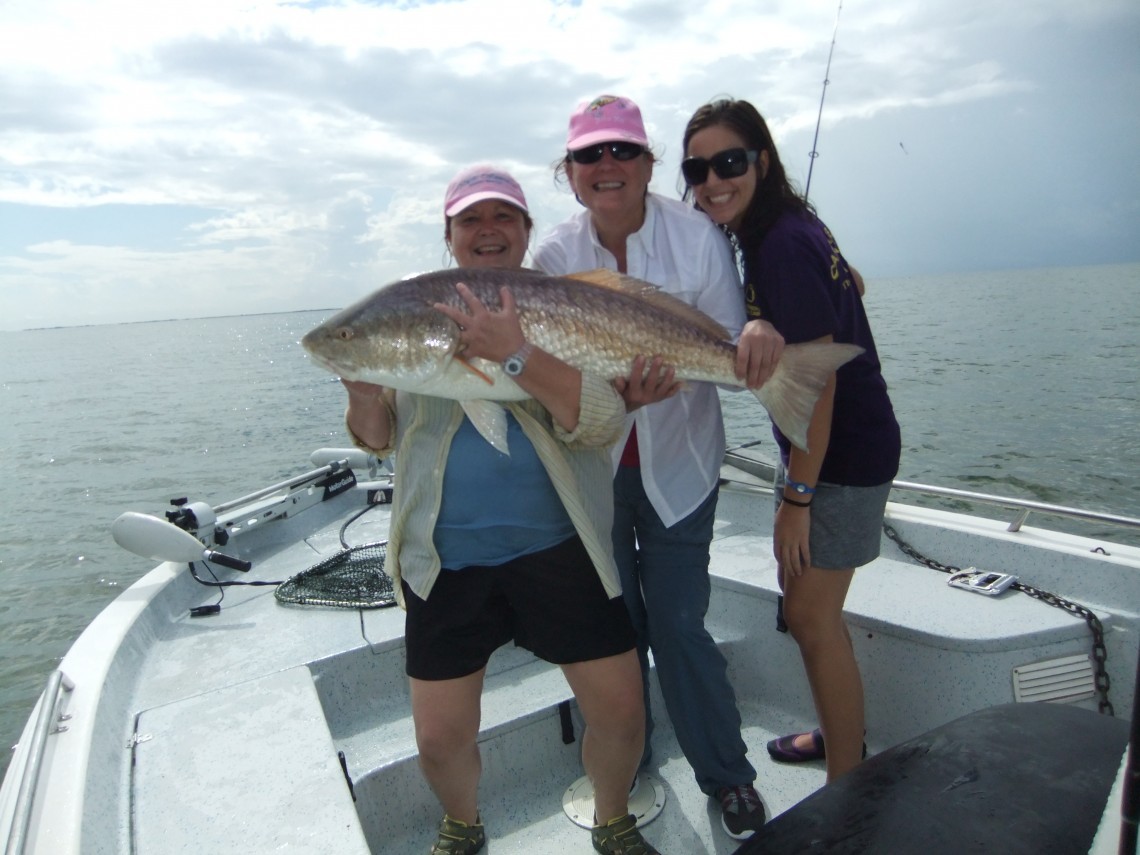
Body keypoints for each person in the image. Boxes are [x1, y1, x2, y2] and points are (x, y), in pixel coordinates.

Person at [341, 164, 660, 855]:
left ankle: (613, 817)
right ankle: (463, 822)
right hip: (447, 558)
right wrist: (363, 391)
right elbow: (376, 434)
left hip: (560, 545)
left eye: (503, 217)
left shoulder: (563, 306)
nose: (488, 231)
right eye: (471, 220)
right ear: (450, 235)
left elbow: (602, 421)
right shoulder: (412, 313)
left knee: (623, 710)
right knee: (437, 738)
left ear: (524, 232)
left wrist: (515, 353)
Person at [534, 95, 783, 842]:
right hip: (592, 471)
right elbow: (549, 371)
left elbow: (724, 339)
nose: (606, 166)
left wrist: (760, 334)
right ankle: (624, 761)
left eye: (622, 152)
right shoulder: (553, 256)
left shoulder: (698, 235)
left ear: (647, 166)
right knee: (615, 631)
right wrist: (614, 391)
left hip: (683, 468)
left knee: (678, 624)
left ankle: (726, 772)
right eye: (589, 156)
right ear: (571, 174)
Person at [681, 98, 901, 783]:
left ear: (762, 160)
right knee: (806, 604)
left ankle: (846, 776)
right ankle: (840, 736)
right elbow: (853, 283)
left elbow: (820, 388)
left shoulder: (777, 244)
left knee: (810, 617)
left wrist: (798, 496)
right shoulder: (788, 227)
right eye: (698, 168)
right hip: (835, 446)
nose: (713, 180)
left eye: (730, 162)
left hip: (840, 454)